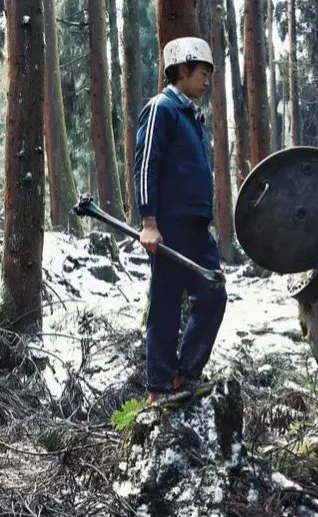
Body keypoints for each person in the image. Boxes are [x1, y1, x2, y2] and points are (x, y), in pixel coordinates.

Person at [134, 37, 227, 401]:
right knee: (167, 302)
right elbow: (146, 166)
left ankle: (186, 374)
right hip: (168, 226)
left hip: (196, 227)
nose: (206, 81)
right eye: (202, 73)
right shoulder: (162, 108)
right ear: (183, 70)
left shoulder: (192, 116)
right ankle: (159, 384)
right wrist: (149, 223)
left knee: (213, 295)